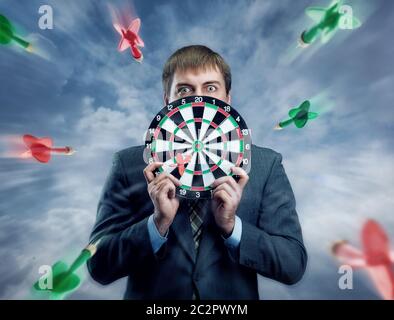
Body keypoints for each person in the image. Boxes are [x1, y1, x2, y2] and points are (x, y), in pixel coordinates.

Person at [87, 45, 307, 299]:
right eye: (184, 90)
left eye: (210, 88)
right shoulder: (128, 164)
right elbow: (99, 265)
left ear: (227, 99)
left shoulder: (265, 164)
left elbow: (292, 265)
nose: (196, 99)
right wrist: (157, 223)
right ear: (167, 101)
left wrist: (232, 227)